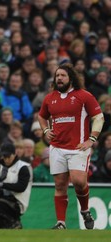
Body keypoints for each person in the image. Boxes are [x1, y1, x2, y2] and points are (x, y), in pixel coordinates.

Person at [38, 63, 104, 230]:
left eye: (63, 75)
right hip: (57, 148)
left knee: (78, 181)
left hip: (78, 147)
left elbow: (99, 117)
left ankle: (85, 210)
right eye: (57, 75)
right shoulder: (49, 98)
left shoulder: (84, 96)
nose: (59, 78)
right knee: (60, 185)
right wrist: (46, 129)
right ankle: (61, 223)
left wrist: (91, 139)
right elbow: (41, 116)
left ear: (71, 78)